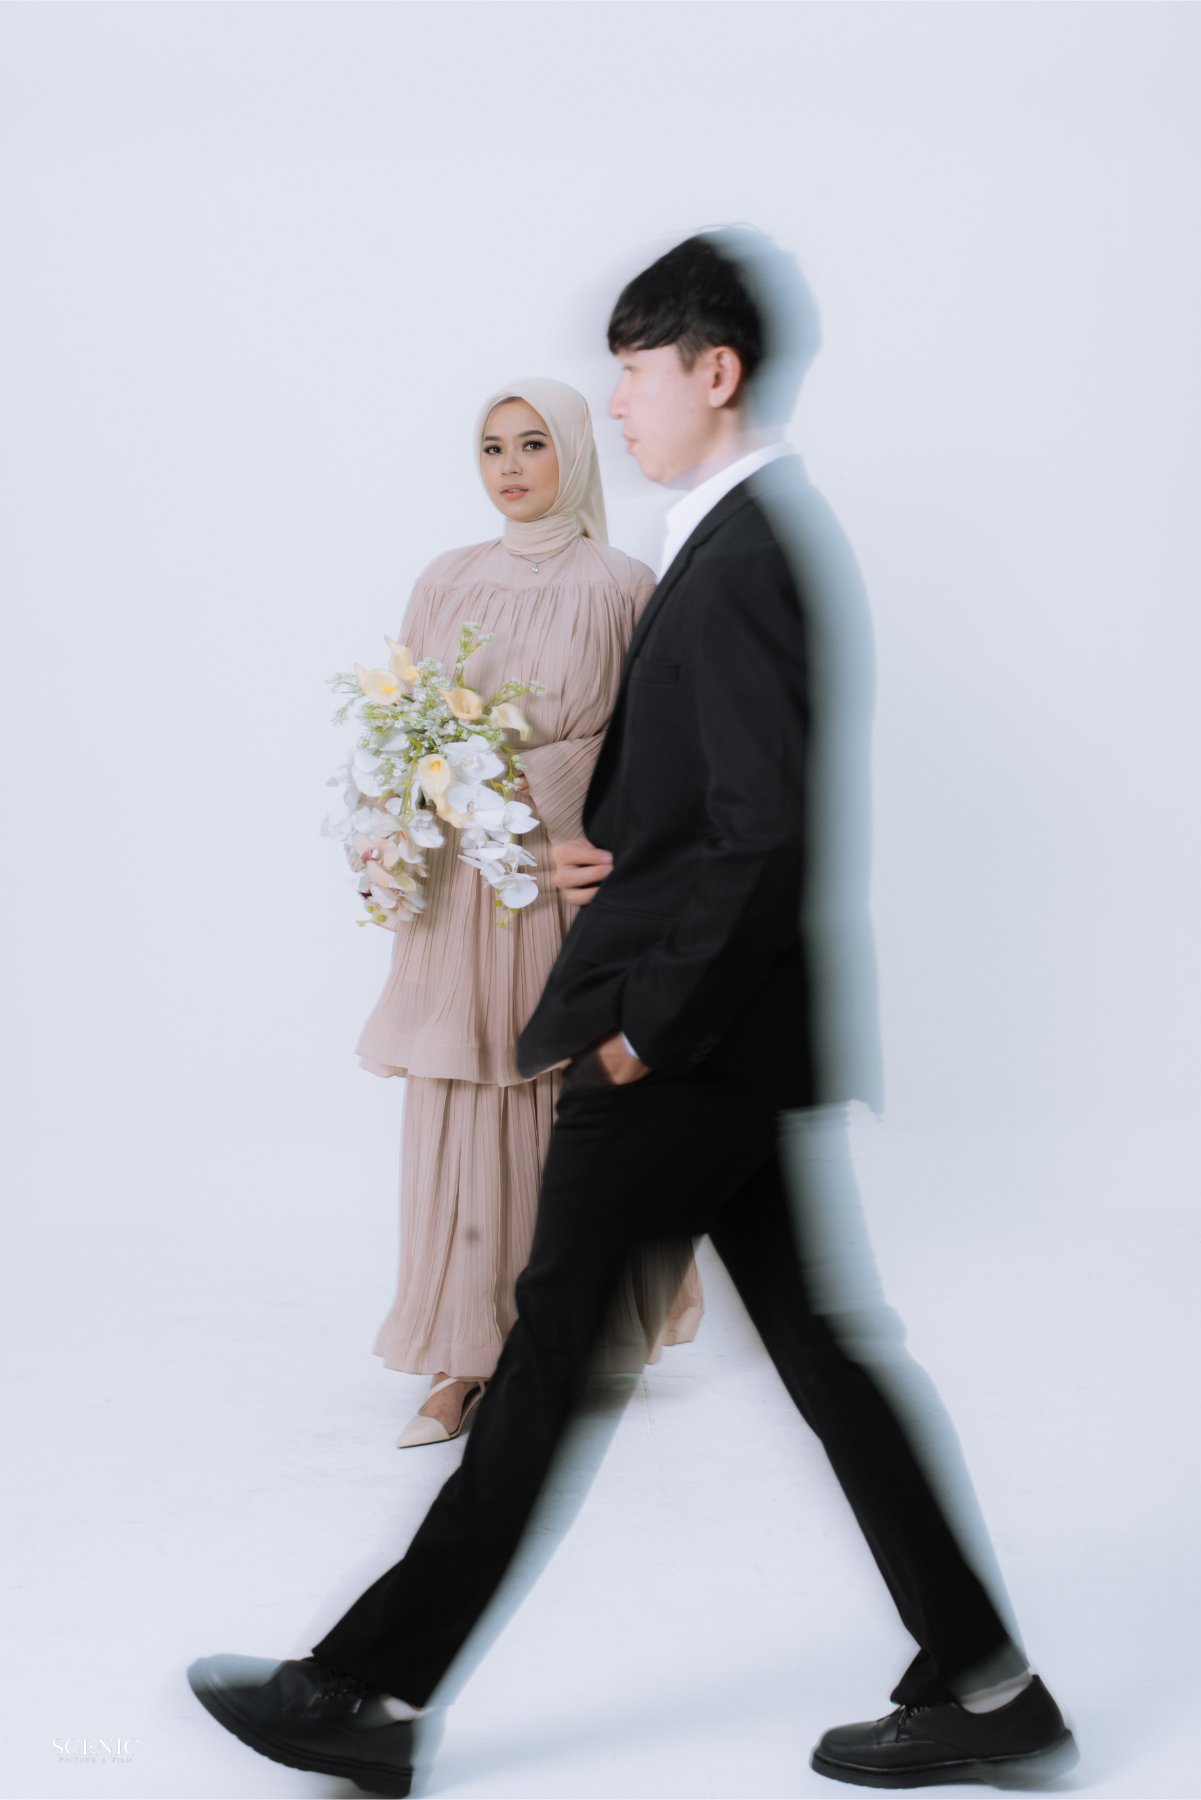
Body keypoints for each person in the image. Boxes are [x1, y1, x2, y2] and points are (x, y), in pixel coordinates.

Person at [188, 233, 1076, 1793]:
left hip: (685, 1049)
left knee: (551, 1358)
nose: (615, 401)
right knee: (820, 1352)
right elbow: (717, 810)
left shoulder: (742, 556)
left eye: (633, 371)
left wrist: (643, 1030)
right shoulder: (744, 539)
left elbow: (760, 835)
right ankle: (985, 1680)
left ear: (711, 372)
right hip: (739, 1045)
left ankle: (366, 1697)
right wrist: (614, 847)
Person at [358, 376, 701, 1446]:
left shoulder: (624, 586)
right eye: (493, 447)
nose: (509, 467)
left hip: (564, 882)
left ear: (575, 455)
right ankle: (462, 1358)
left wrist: (541, 808)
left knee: (566, 1106)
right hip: (460, 889)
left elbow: (653, 745)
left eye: (533, 444)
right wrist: (391, 827)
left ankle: (569, 1340)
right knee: (463, 1104)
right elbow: (403, 726)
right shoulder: (445, 578)